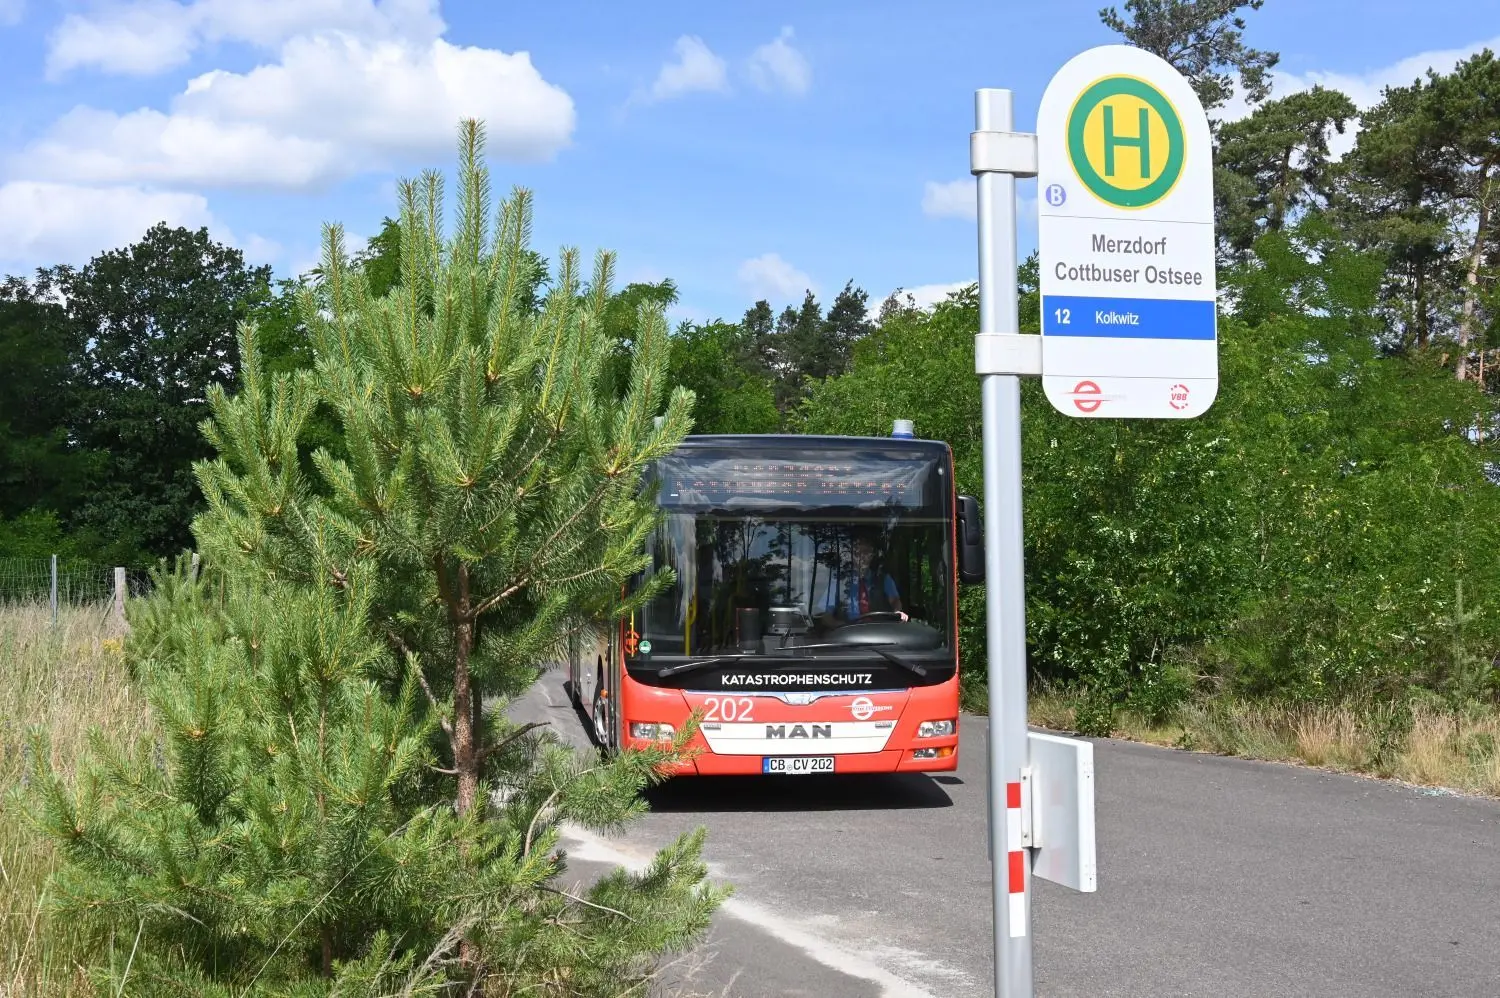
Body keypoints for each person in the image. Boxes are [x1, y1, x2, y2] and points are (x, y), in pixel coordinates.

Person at [821, 532, 907, 623]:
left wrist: (897, 611)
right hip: (849, 634)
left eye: (866, 552)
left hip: (881, 632)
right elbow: (826, 616)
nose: (862, 557)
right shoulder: (838, 583)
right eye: (857, 553)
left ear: (872, 555)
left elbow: (895, 601)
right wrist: (839, 626)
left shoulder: (884, 579)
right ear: (851, 556)